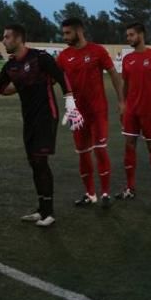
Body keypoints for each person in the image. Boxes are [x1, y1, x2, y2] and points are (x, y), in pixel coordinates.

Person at [0, 24, 80, 227]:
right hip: (28, 119)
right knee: (34, 162)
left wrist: (70, 102)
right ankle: (41, 210)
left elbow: (61, 77)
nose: (3, 41)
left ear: (19, 39)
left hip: (46, 116)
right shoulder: (10, 66)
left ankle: (49, 213)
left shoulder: (40, 57)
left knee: (40, 161)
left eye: (7, 37)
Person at [58, 17, 124, 207]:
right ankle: (90, 194)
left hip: (97, 111)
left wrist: (121, 101)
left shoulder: (97, 51)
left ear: (79, 32)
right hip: (76, 114)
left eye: (67, 33)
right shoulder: (64, 56)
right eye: (63, 33)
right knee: (83, 153)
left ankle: (104, 193)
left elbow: (113, 74)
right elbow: (51, 77)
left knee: (100, 150)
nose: (64, 37)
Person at [118, 22, 151, 199]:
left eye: (131, 35)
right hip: (131, 110)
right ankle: (130, 187)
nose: (129, 38)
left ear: (141, 34)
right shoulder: (127, 59)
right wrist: (122, 104)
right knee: (129, 144)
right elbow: (125, 84)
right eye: (127, 35)